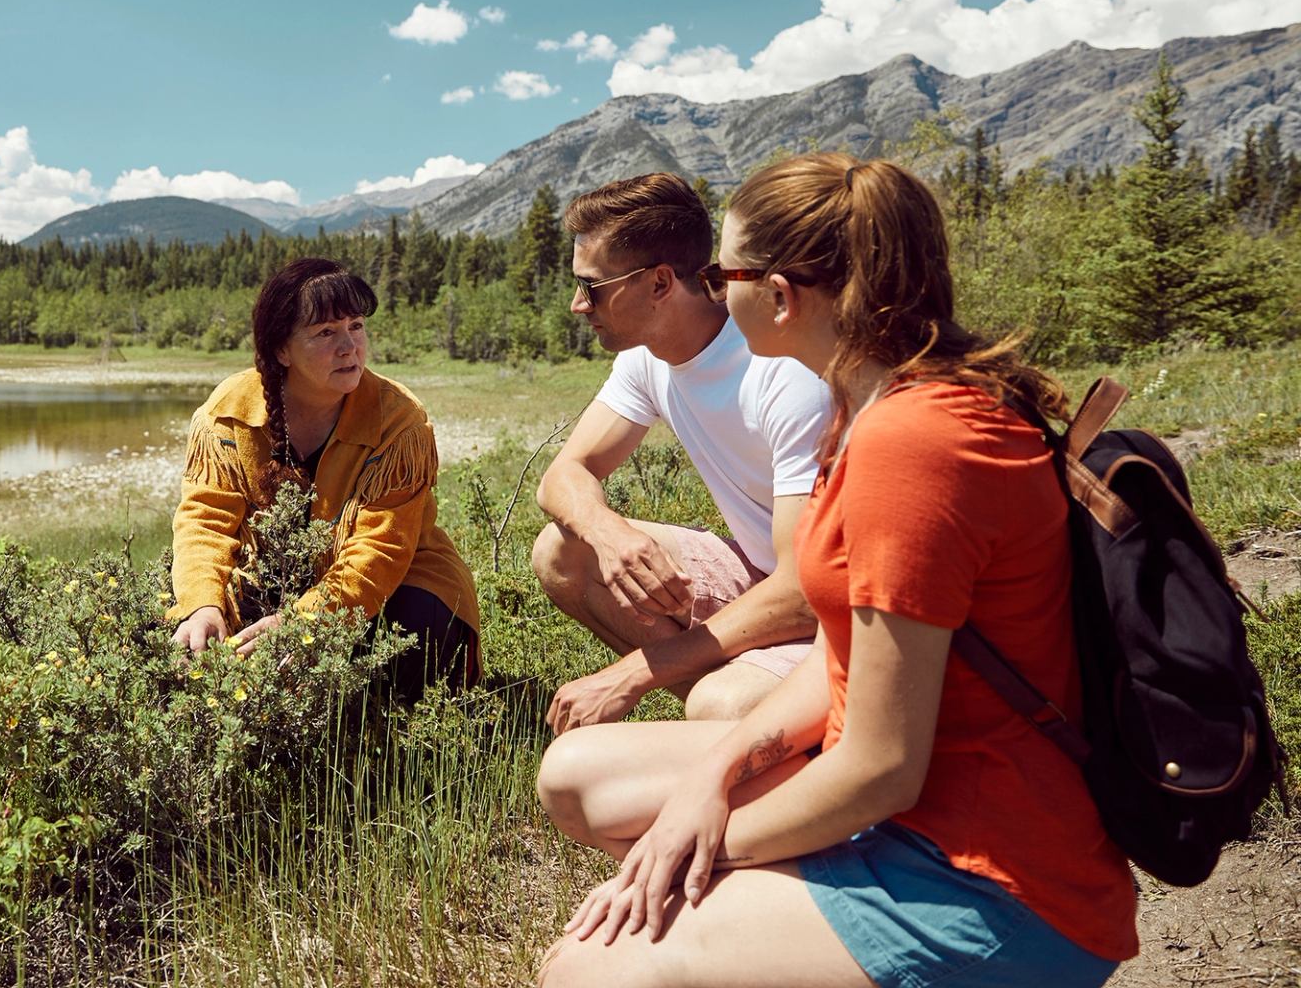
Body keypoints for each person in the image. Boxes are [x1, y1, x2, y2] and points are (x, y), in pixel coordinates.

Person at [534, 153, 1138, 988]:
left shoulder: (910, 446)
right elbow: (847, 651)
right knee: (579, 778)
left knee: (590, 970)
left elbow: (883, 767)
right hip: (917, 802)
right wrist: (718, 770)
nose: (714, 289)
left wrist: (700, 839)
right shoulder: (875, 406)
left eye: (724, 271)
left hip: (990, 879)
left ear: (780, 297)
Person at [535, 173, 831, 727]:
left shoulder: (785, 373)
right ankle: (744, 709)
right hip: (769, 573)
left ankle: (757, 719)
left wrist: (638, 670)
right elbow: (563, 475)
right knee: (563, 550)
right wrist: (607, 532)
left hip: (831, 600)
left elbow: (808, 588)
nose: (578, 304)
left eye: (592, 286)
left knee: (721, 706)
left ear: (660, 282)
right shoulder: (646, 360)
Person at [169, 256, 479, 699]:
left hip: (395, 586)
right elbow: (204, 521)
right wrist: (203, 605)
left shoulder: (399, 421)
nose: (349, 346)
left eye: (356, 326)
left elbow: (380, 552)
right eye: (325, 333)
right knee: (181, 629)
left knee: (413, 635)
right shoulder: (229, 409)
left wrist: (304, 622)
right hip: (274, 579)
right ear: (281, 350)